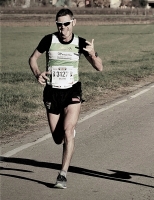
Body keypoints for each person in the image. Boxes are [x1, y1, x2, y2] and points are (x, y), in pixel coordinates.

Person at [28, 8, 103, 189]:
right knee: (57, 138)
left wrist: (92, 54)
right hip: (52, 92)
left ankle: (62, 175)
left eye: (66, 24)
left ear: (73, 23)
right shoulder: (49, 40)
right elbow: (32, 59)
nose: (63, 28)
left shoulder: (81, 43)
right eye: (59, 25)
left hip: (72, 91)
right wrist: (37, 73)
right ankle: (66, 131)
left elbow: (99, 67)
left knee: (68, 131)